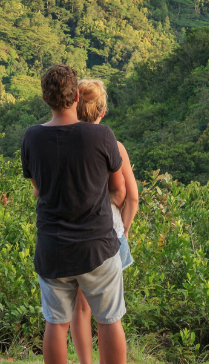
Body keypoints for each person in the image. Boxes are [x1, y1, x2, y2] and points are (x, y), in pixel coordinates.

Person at [21, 65, 127, 364]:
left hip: (52, 246)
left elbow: (38, 190)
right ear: (76, 96)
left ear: (45, 99)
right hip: (98, 246)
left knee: (56, 323)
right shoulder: (102, 135)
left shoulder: (32, 137)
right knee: (109, 320)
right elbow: (118, 190)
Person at [70, 79, 139, 364]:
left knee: (80, 309)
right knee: (109, 315)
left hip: (75, 235)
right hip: (111, 236)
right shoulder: (115, 146)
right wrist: (124, 230)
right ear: (103, 111)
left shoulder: (64, 143)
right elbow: (132, 197)